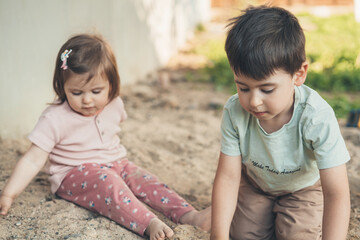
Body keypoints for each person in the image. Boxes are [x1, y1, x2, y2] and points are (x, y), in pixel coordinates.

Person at [0, 34, 210, 240]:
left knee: (145, 180)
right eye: (77, 93)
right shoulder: (55, 118)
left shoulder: (114, 105)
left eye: (96, 91)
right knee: (109, 184)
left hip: (116, 163)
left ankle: (187, 214)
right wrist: (9, 194)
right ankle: (148, 223)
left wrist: (120, 168)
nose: (88, 100)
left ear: (112, 83)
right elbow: (32, 158)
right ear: (62, 86)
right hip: (74, 173)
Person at [211, 5, 350, 240]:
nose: (254, 101)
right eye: (243, 87)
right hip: (255, 185)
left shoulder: (316, 117)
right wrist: (218, 235)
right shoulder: (235, 111)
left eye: (266, 89)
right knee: (242, 235)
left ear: (299, 74)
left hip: (303, 190)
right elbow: (228, 177)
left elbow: (336, 192)